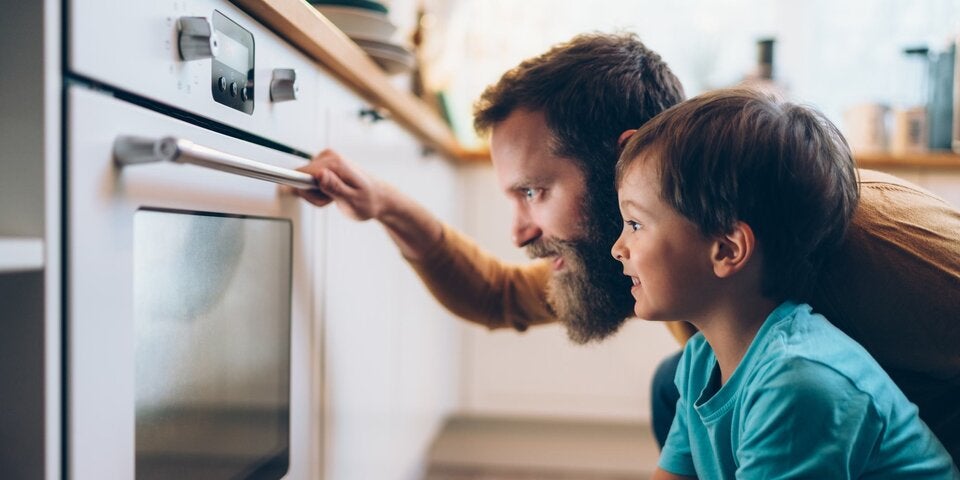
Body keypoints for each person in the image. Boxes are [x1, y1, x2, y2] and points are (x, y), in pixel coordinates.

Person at [292, 33, 960, 463]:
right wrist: (384, 204)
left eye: (533, 192)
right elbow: (498, 295)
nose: (521, 230)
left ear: (622, 162)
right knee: (681, 384)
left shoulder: (866, 237)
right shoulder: (654, 251)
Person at [611, 87, 958, 479]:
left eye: (636, 224)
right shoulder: (700, 360)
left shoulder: (799, 384)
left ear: (727, 250)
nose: (617, 248)